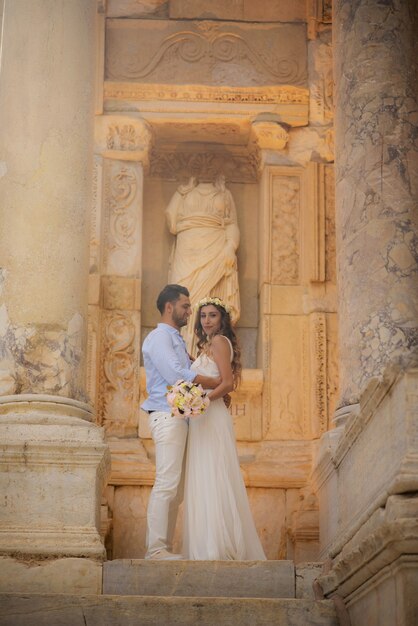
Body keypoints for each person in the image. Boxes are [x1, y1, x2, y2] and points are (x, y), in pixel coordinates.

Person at [182, 296, 266, 560]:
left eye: (212, 315)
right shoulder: (208, 346)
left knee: (214, 474)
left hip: (210, 414)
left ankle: (217, 547)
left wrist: (201, 401)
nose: (207, 320)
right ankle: (206, 545)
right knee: (204, 474)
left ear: (222, 319)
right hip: (202, 416)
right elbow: (210, 376)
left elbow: (228, 383)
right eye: (203, 316)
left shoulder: (219, 342)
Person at [141, 284, 220, 560]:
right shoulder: (159, 337)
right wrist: (215, 382)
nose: (190, 311)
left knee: (177, 490)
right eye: (186, 306)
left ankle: (164, 548)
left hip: (181, 417)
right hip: (166, 415)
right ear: (169, 307)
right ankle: (155, 548)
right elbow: (175, 373)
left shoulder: (174, 339)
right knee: (166, 482)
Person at [165, 175, 240, 354]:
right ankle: (182, 351)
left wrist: (230, 247)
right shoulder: (185, 192)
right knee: (182, 300)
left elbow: (232, 224)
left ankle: (208, 351)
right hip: (187, 249)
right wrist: (181, 191)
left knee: (209, 300)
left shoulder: (224, 193)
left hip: (215, 247)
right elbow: (171, 222)